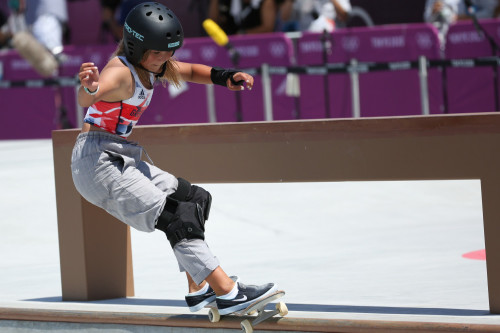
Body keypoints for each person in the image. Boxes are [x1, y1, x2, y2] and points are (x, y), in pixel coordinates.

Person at [72, 2, 278, 314]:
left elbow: (192, 71)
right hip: (97, 163)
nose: (166, 58)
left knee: (193, 199)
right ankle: (229, 292)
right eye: (159, 52)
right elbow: (93, 93)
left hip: (118, 155)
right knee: (175, 218)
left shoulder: (154, 64)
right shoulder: (120, 72)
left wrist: (227, 76)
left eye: (169, 51)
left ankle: (199, 289)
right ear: (137, 47)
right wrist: (89, 87)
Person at [208, 0, 278, 35]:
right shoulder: (228, 2)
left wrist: (243, 34)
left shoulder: (266, 2)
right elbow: (213, 22)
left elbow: (268, 28)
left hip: (259, 47)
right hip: (230, 47)